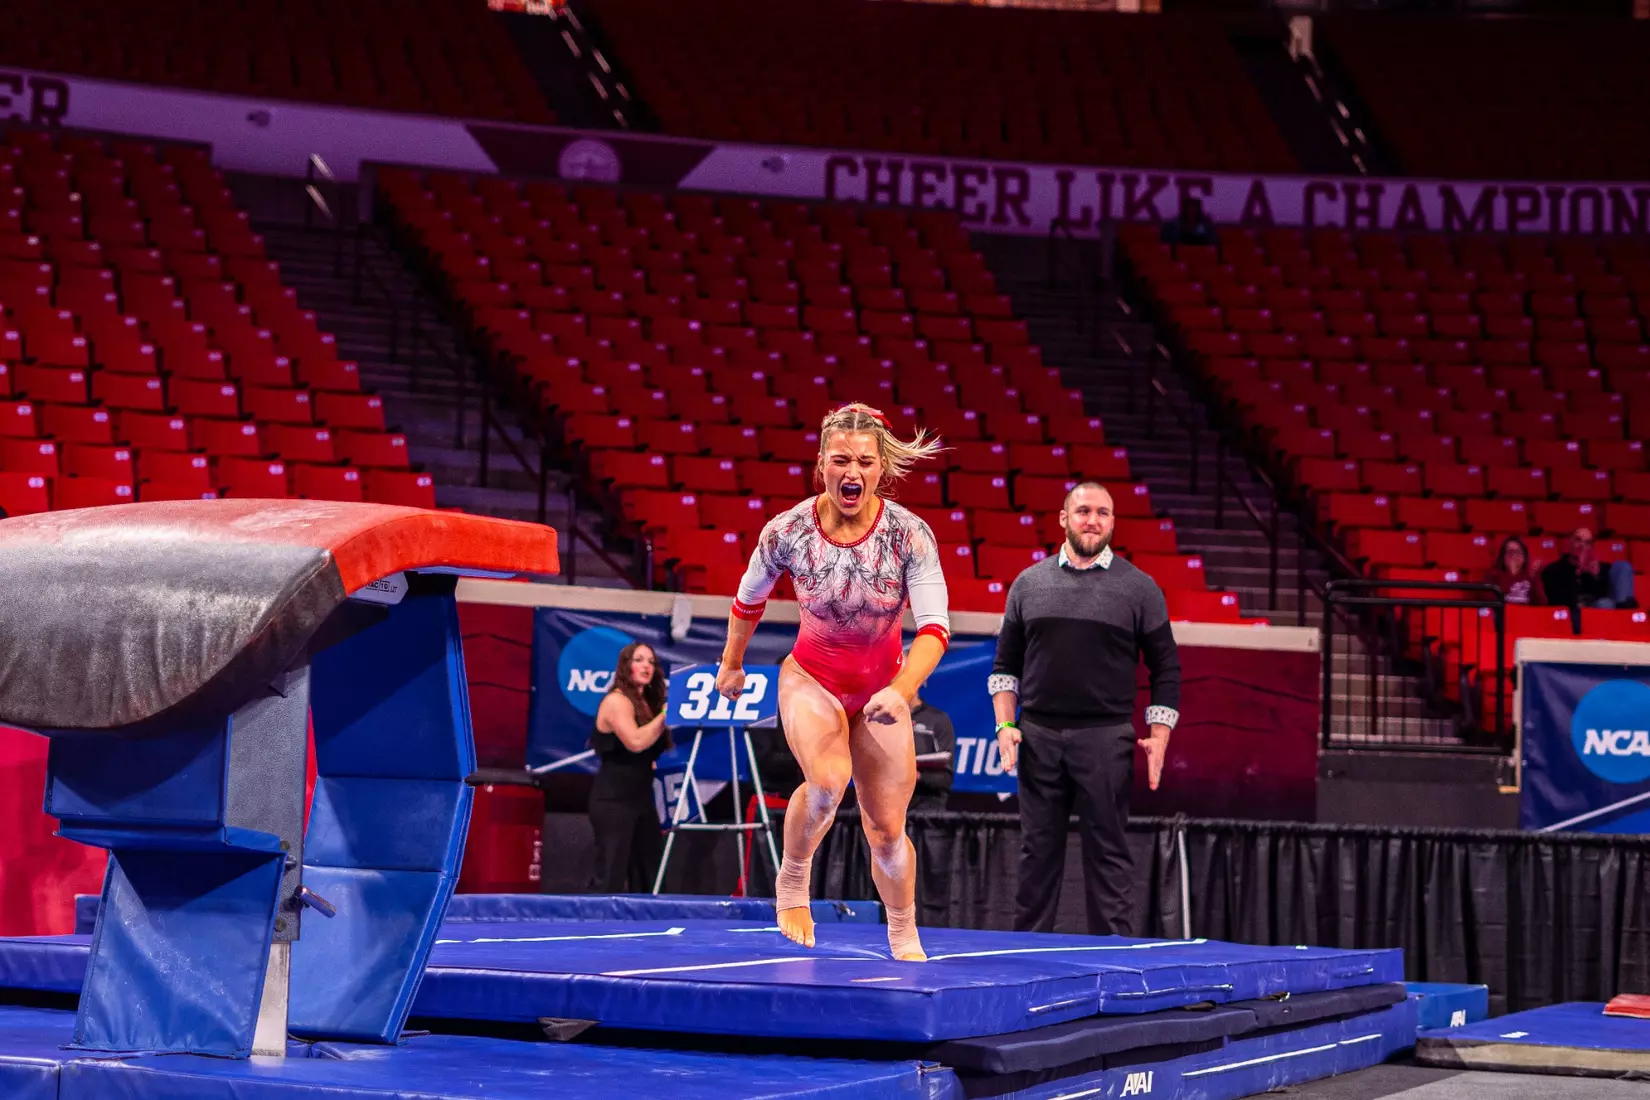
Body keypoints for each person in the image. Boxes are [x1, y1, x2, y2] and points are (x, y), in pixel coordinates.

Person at [716, 403, 950, 961]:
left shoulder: (910, 535)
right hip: (811, 678)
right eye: (840, 460)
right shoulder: (788, 531)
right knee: (827, 781)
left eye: (864, 462)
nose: (852, 473)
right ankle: (794, 879)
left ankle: (902, 928)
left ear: (881, 469)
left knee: (888, 829)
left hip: (881, 687)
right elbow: (748, 600)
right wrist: (731, 663)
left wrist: (900, 689)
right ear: (820, 463)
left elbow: (936, 626)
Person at [989, 482, 1182, 937]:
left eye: (1102, 513)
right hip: (1038, 736)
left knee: (1109, 854)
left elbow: (1166, 669)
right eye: (1082, 511)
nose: (1092, 520)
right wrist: (1005, 724)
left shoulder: (1140, 589)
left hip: (1106, 737)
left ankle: (1112, 957)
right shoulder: (1028, 584)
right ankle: (1025, 959)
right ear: (1064, 518)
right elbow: (1004, 667)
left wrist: (1159, 737)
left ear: (1113, 522)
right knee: (1037, 853)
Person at [587, 642, 670, 893]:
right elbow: (635, 742)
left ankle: (646, 931)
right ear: (626, 666)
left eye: (651, 662)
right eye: (639, 660)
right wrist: (666, 714)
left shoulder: (647, 704)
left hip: (642, 798)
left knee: (649, 872)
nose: (646, 666)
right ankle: (595, 927)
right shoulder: (617, 700)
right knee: (611, 873)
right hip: (614, 799)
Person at [1541, 528, 1637, 612]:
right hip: (1578, 614)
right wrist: (1578, 573)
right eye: (1578, 540)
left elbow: (1605, 594)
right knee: (1604, 604)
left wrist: (1595, 577)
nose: (1582, 545)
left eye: (1587, 543)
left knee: (1622, 566)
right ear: (1570, 542)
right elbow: (1558, 602)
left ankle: (1626, 613)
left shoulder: (1600, 568)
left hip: (1609, 610)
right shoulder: (1554, 569)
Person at [908, 690, 956, 812]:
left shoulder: (938, 720)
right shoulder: (877, 718)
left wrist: (916, 776)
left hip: (924, 814)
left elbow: (945, 779)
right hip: (883, 810)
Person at [1485, 535, 1545, 606]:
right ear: (1503, 557)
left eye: (1518, 552)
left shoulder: (1530, 577)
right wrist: (1511, 575)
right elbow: (1489, 601)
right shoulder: (1493, 575)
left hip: (1526, 615)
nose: (1514, 555)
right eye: (1510, 552)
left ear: (1524, 557)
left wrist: (1535, 579)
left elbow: (1542, 603)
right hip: (1503, 615)